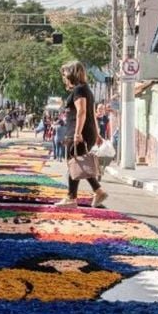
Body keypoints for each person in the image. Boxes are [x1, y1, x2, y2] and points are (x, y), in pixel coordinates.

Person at [56, 60, 108, 209]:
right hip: (88, 131)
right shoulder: (86, 89)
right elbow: (92, 112)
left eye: (65, 72)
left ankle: (71, 198)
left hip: (79, 131)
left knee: (74, 163)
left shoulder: (79, 90)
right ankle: (98, 191)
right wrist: (97, 133)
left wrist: (77, 133)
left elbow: (82, 112)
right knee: (79, 163)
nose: (64, 76)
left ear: (72, 73)